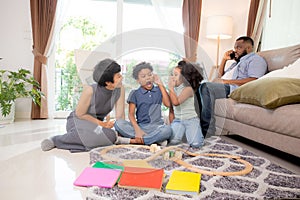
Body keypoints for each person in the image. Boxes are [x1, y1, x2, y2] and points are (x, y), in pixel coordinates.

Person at [41, 58, 125, 152]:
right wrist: (101, 124)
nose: (122, 77)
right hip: (78, 121)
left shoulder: (120, 89)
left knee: (111, 135)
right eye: (118, 76)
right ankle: (56, 140)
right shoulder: (90, 90)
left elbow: (120, 115)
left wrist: (123, 132)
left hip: (96, 126)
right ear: (108, 82)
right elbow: (80, 114)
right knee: (95, 136)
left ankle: (77, 139)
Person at [199, 36, 267, 137]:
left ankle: (207, 131)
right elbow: (219, 76)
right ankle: (194, 127)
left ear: (248, 48)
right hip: (226, 85)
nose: (235, 51)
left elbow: (254, 80)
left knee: (206, 87)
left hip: (235, 88)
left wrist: (226, 82)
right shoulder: (237, 63)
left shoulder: (256, 59)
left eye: (238, 48)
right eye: (235, 48)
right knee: (198, 87)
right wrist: (224, 60)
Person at [114, 62, 172, 145]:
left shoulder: (159, 90)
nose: (148, 78)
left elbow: (168, 104)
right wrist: (137, 130)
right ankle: (154, 140)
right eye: (143, 76)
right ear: (138, 80)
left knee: (167, 130)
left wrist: (160, 84)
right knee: (118, 123)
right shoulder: (135, 93)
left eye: (150, 74)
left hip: (157, 127)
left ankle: (138, 141)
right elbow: (131, 114)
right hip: (141, 126)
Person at [168, 60, 204, 148]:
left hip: (191, 120)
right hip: (178, 120)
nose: (172, 77)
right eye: (172, 74)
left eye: (175, 75)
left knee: (196, 144)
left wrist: (171, 88)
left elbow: (176, 102)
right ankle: (182, 134)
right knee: (172, 141)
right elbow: (170, 107)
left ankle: (194, 134)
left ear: (184, 78)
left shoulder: (188, 89)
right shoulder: (175, 89)